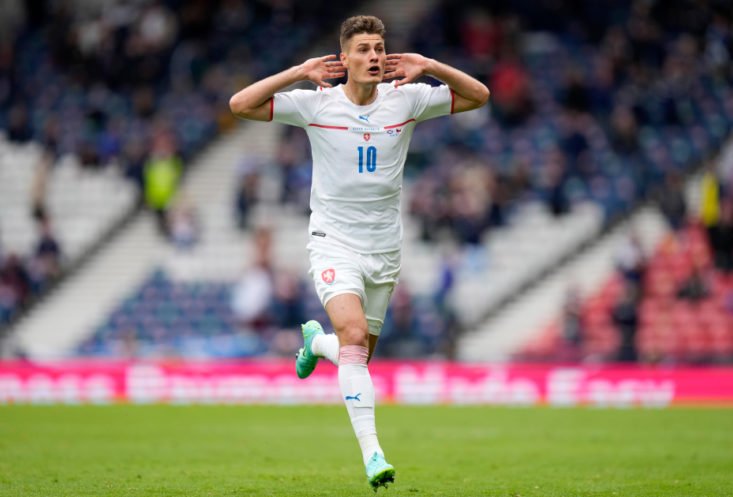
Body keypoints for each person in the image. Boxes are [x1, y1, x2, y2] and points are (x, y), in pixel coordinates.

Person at [229, 15, 489, 490]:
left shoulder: (406, 98)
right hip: (334, 242)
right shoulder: (315, 104)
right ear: (344, 57)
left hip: (384, 249)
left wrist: (431, 65)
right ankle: (374, 455)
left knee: (355, 355)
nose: (374, 56)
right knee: (352, 336)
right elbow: (240, 104)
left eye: (379, 47)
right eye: (364, 49)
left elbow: (479, 96)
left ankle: (314, 343)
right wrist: (297, 72)